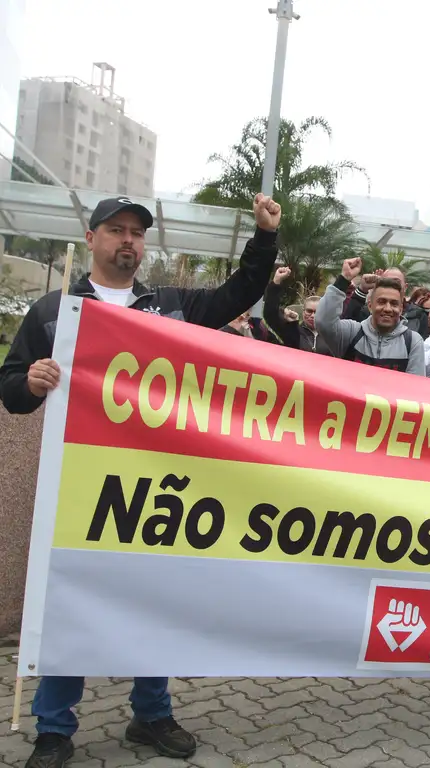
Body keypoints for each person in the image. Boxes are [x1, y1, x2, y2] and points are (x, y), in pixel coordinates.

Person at [0, 193, 282, 767]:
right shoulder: (55, 311)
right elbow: (11, 389)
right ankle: (54, 729)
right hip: (82, 489)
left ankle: (151, 715)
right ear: (91, 238)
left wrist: (265, 238)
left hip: (157, 491)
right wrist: (30, 381)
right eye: (116, 229)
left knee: (154, 601)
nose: (128, 240)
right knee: (71, 603)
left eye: (136, 232)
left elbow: (239, 292)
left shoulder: (171, 308)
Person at [315, 258, 425, 374]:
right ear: (370, 306)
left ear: (401, 309)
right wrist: (344, 279)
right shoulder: (352, 333)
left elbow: (415, 383)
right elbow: (324, 322)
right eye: (381, 302)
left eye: (394, 303)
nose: (387, 309)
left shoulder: (412, 342)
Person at [341, 263, 430, 339]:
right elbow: (345, 329)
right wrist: (362, 290)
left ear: (405, 287)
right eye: (387, 282)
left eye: (396, 282)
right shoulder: (368, 310)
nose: (392, 285)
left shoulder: (418, 315)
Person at [262, 267, 330, 353]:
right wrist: (276, 281)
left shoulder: (332, 335)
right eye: (309, 311)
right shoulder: (293, 331)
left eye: (317, 312)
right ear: (303, 311)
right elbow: (270, 314)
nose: (313, 315)